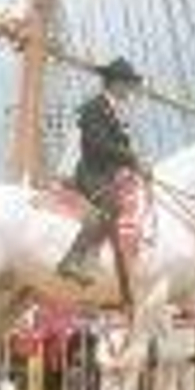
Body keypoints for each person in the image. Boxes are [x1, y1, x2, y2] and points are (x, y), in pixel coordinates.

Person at [56, 57, 146, 286]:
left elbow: (120, 149)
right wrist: (132, 158)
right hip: (91, 172)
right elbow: (97, 143)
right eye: (127, 83)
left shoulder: (116, 112)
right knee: (110, 206)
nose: (130, 89)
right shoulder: (93, 108)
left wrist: (137, 166)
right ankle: (73, 259)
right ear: (115, 83)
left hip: (109, 174)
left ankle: (102, 260)